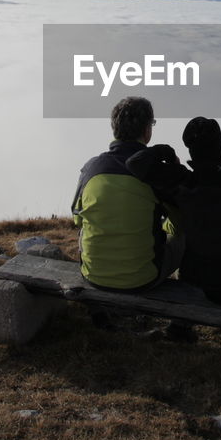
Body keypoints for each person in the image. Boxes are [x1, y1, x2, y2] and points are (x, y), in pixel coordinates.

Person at [127, 116, 221, 358]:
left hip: (204, 283)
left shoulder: (182, 184)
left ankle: (180, 328)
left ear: (191, 151)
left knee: (189, 250)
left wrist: (163, 150)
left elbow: (135, 163)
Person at [71, 97, 184, 297]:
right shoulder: (155, 172)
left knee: (85, 230)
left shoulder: (91, 168)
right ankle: (182, 320)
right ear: (147, 130)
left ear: (115, 128)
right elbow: (179, 224)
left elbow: (78, 218)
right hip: (142, 280)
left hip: (93, 276)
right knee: (183, 238)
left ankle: (97, 312)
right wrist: (162, 227)